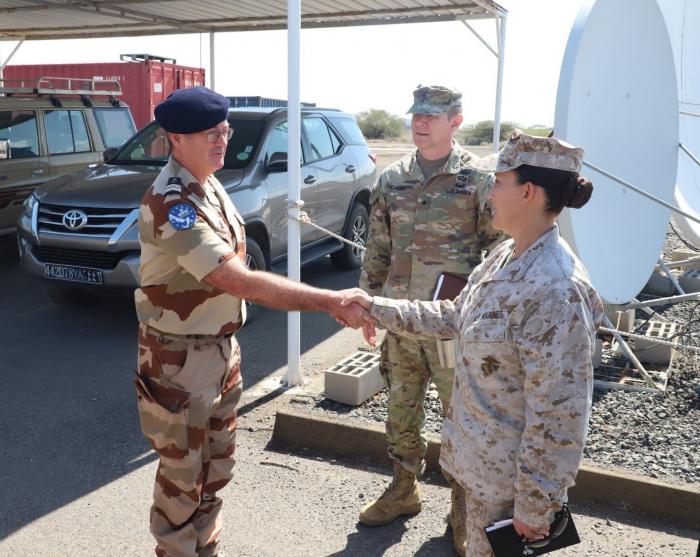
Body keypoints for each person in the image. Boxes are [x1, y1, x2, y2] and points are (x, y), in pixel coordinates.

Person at [343, 130, 603, 557]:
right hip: (478, 472)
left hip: (508, 492)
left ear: (529, 192)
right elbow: (454, 314)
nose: (490, 192)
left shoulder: (555, 291)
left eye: (499, 182)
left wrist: (535, 507)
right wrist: (373, 306)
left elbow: (559, 416)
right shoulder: (506, 257)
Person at [133, 86, 368, 557]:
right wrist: (330, 300)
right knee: (183, 479)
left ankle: (205, 549)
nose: (222, 141)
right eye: (209, 134)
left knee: (216, 469)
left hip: (218, 352)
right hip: (180, 361)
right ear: (176, 138)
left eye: (224, 131)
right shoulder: (174, 202)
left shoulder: (211, 183)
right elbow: (235, 280)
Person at [357, 84, 502, 554]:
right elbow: (378, 247)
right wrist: (366, 305)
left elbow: (497, 252)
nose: (420, 123)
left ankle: (462, 510)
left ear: (456, 121)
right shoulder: (393, 177)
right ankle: (404, 489)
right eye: (417, 114)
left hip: (449, 327)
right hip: (400, 319)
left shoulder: (479, 179)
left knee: (461, 419)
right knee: (401, 410)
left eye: (432, 116)